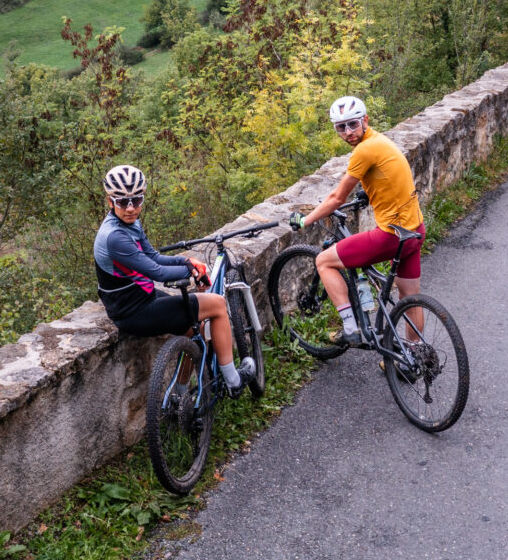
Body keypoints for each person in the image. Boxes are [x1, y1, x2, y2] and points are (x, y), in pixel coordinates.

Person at [94, 164, 255, 392]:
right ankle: (234, 381)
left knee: (195, 326)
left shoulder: (128, 224)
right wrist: (193, 272)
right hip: (133, 312)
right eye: (122, 202)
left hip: (139, 300)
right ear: (110, 201)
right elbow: (156, 272)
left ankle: (180, 396)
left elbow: (153, 256)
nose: (130, 208)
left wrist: (186, 262)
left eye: (136, 201)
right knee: (218, 305)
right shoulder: (114, 237)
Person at [289, 96, 425, 345]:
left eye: (352, 124)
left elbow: (337, 198)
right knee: (409, 297)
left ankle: (351, 328)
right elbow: (385, 176)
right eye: (341, 127)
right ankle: (414, 355)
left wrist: (305, 220)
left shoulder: (364, 150)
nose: (348, 132)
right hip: (415, 230)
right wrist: (369, 192)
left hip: (392, 236)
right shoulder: (379, 141)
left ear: (365, 120)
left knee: (323, 261)